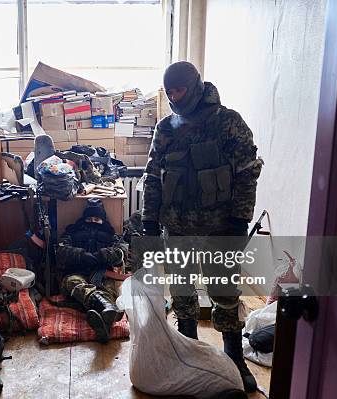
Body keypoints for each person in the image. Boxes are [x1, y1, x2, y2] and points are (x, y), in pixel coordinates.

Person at [141, 61, 263, 392]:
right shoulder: (165, 128)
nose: (175, 97)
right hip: (177, 229)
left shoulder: (228, 123)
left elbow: (247, 171)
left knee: (224, 293)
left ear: (195, 86)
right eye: (169, 92)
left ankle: (234, 357)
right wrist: (148, 221)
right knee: (181, 292)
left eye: (179, 90)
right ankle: (188, 350)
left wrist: (240, 220)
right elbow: (152, 177)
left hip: (220, 227)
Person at [55, 198, 127, 343]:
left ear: (103, 220)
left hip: (102, 275)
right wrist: (82, 255)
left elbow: (121, 253)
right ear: (84, 218)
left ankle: (103, 326)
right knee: (75, 283)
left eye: (97, 219)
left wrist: (103, 255)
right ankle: (106, 307)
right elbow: (60, 251)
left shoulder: (111, 235)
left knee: (108, 290)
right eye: (89, 218)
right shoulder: (72, 232)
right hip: (75, 273)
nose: (93, 221)